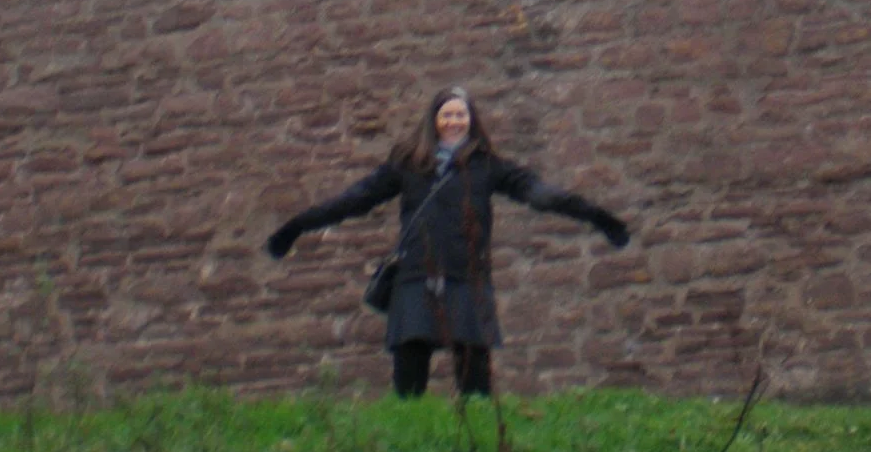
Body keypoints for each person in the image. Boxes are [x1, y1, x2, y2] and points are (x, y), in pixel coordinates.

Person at [265, 88, 632, 398]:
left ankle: (482, 444)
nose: (454, 121)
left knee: (474, 376)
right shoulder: (408, 165)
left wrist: (599, 217)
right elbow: (354, 199)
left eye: (461, 115)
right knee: (409, 373)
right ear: (434, 120)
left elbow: (542, 194)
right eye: (447, 115)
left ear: (471, 120)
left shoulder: (487, 166)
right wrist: (297, 226)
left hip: (466, 275)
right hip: (415, 275)